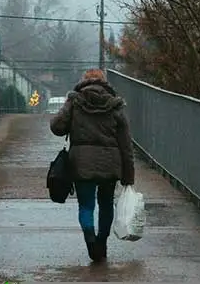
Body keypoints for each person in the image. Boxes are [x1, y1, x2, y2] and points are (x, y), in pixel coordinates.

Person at [49, 68, 134, 263]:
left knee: (86, 205)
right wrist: (129, 175)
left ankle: (90, 240)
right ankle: (102, 242)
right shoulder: (115, 105)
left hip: (81, 164)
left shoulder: (75, 101)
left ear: (83, 81)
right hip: (109, 163)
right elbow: (126, 144)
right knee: (106, 204)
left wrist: (68, 109)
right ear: (104, 82)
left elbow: (57, 127)